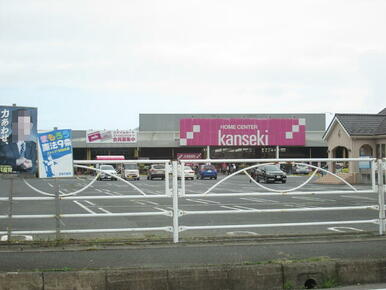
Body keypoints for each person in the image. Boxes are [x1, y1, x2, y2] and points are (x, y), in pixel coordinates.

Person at [0, 109, 37, 174]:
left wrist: (31, 166)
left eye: (27, 124)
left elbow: (34, 168)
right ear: (12, 125)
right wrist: (16, 162)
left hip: (27, 181)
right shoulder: (3, 142)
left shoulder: (33, 145)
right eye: (20, 124)